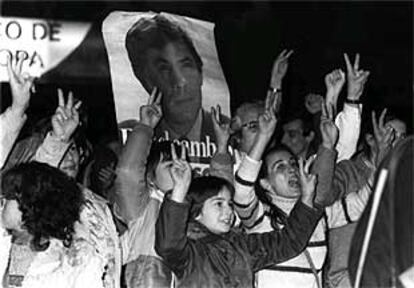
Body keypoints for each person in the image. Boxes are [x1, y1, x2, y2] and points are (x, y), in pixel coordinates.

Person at [154, 141, 323, 287]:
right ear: (197, 212)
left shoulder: (243, 246)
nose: (228, 211)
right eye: (218, 204)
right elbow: (168, 244)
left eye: (229, 204)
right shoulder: (189, 253)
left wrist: (307, 198)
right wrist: (179, 190)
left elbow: (288, 242)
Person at [0, 162, 106, 288]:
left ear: (30, 205)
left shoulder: (68, 259)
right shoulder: (5, 241)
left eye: (8, 196)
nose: (2, 200)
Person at [125, 14, 222, 145]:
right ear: (145, 80)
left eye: (186, 65)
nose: (180, 81)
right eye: (164, 69)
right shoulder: (132, 141)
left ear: (200, 73)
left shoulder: (229, 134)